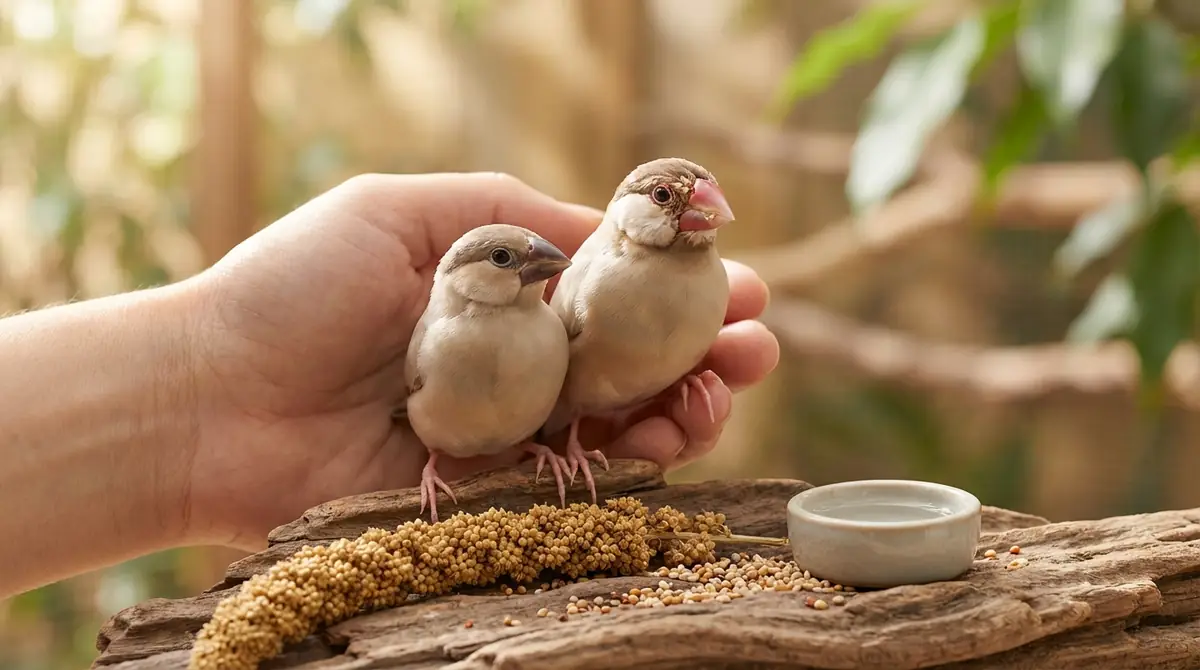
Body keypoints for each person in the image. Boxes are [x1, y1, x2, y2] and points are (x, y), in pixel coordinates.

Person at [0, 172, 779, 601]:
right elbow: (429, 391)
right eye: (507, 263)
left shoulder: (547, 318)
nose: (543, 269)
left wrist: (554, 439)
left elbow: (561, 383)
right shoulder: (450, 332)